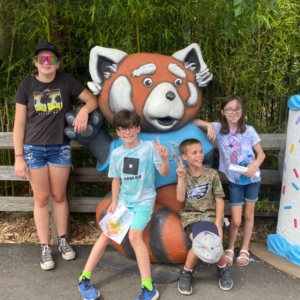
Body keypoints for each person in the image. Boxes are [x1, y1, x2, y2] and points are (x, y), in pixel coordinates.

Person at [13, 42, 98, 270]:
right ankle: (44, 247)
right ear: (35, 62)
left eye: (51, 59)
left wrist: (83, 110)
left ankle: (62, 241)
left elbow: (93, 100)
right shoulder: (26, 86)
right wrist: (18, 156)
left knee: (59, 196)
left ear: (57, 62)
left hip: (59, 147)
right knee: (41, 198)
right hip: (33, 149)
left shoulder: (66, 81)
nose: (46, 63)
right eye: (42, 59)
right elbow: (19, 123)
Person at [78, 109, 169, 300]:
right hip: (125, 204)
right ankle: (84, 278)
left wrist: (164, 158)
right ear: (117, 131)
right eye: (122, 129)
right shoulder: (117, 153)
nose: (127, 133)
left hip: (144, 202)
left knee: (135, 237)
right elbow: (116, 180)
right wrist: (115, 202)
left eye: (131, 128)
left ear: (137, 128)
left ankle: (148, 287)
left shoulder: (148, 148)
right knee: (105, 237)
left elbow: (163, 172)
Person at [193, 94, 266, 267]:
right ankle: (230, 247)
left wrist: (255, 164)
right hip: (234, 181)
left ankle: (245, 249)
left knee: (248, 215)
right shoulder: (219, 129)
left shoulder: (249, 130)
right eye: (229, 109)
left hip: (252, 179)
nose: (233, 112)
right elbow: (192, 121)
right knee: (235, 220)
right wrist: (209, 124)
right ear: (223, 112)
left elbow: (261, 153)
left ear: (242, 111)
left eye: (237, 109)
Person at [176, 138, 233, 294]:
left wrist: (218, 222)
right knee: (202, 240)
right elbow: (181, 198)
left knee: (212, 239)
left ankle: (222, 269)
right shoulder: (184, 174)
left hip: (211, 215)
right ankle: (187, 272)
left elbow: (220, 201)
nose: (199, 155)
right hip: (192, 216)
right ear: (185, 157)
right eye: (194, 152)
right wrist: (180, 179)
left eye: (200, 151)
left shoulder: (211, 174)